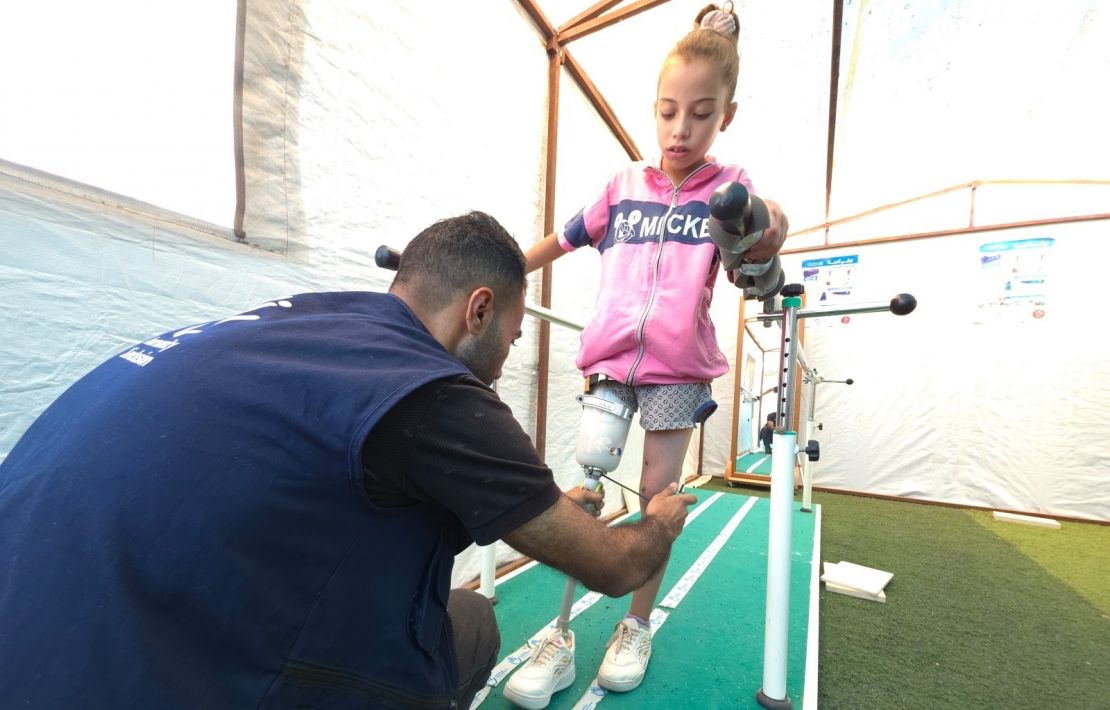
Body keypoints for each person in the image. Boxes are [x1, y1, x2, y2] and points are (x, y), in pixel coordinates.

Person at [0, 211, 697, 710]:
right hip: (137, 679)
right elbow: (613, 567)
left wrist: (541, 513)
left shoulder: (304, 319)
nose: (504, 361)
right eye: (513, 340)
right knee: (472, 625)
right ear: (479, 311)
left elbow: (337, 489)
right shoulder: (435, 390)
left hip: (37, 616)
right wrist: (661, 519)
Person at [507, 3, 789, 703]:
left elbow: (756, 248)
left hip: (676, 371)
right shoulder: (622, 186)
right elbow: (560, 240)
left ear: (726, 116)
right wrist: (497, 269)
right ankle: (559, 634)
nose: (679, 129)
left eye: (700, 113)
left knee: (658, 501)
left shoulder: (730, 190)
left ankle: (635, 625)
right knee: (588, 484)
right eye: (667, 112)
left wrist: (767, 231)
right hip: (610, 361)